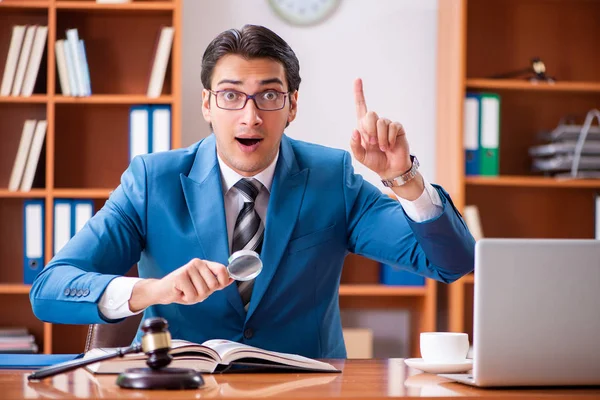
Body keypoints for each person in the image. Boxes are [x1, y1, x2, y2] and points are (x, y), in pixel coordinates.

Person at [30, 25, 474, 359]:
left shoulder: (330, 177)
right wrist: (151, 290)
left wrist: (404, 179)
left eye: (269, 96)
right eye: (230, 96)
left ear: (292, 106)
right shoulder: (153, 181)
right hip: (187, 386)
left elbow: (453, 263)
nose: (250, 116)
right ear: (207, 104)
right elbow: (50, 287)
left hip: (307, 388)